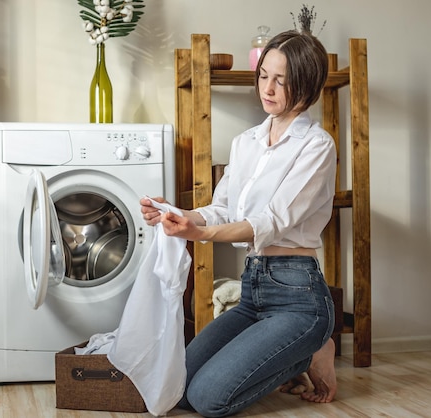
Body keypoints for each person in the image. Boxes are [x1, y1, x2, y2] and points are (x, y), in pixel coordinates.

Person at [140, 30, 337, 417]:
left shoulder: (316, 145)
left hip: (299, 296)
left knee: (209, 399)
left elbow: (271, 221)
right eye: (264, 75)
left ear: (308, 84)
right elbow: (223, 208)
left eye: (282, 79)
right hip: (253, 292)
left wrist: (200, 235)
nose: (268, 87)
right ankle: (293, 355)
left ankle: (310, 349)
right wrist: (177, 216)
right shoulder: (246, 142)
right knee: (178, 388)